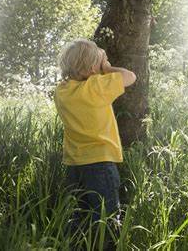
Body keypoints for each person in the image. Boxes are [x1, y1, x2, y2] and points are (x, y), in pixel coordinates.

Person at [53, 38, 136, 249]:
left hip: (74, 164)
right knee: (107, 216)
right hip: (101, 162)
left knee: (79, 214)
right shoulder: (96, 87)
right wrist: (107, 68)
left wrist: (97, 62)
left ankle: (77, 246)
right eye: (100, 62)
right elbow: (130, 77)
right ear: (92, 69)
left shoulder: (61, 92)